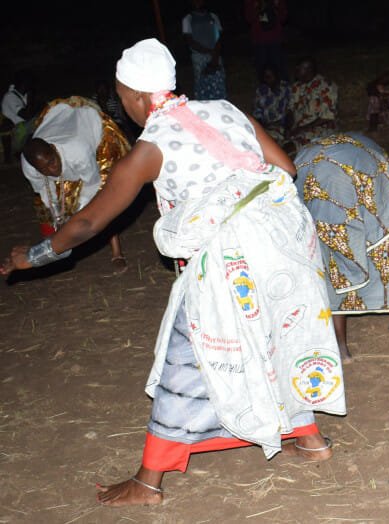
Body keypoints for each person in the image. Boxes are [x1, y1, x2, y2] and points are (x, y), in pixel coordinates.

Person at [1, 39, 345, 507]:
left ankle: (148, 482)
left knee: (188, 355)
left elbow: (86, 223)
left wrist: (33, 255)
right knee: (271, 337)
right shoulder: (225, 108)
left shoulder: (150, 147)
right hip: (282, 243)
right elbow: (283, 165)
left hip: (230, 260)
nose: (122, 107)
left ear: (140, 97)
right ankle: (310, 440)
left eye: (122, 97)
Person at [294, 133, 389, 360]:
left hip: (358, 163)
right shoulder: (305, 187)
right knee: (331, 260)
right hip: (327, 171)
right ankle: (340, 346)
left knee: (342, 252)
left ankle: (341, 347)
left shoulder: (357, 174)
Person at [20, 96, 131, 273]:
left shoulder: (77, 151)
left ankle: (117, 251)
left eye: (51, 162)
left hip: (93, 128)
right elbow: (43, 190)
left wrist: (78, 217)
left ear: (54, 149)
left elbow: (91, 186)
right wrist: (58, 216)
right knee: (51, 208)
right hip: (59, 119)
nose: (52, 170)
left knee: (105, 198)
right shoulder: (29, 167)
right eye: (44, 169)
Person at [287, 56, 339, 150]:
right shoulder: (297, 86)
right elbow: (290, 109)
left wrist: (301, 129)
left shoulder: (326, 86)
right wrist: (289, 127)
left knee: (291, 146)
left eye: (299, 68)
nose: (296, 70)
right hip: (298, 127)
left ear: (309, 69)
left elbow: (327, 117)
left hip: (320, 128)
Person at [182, 0, 226, 100]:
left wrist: (215, 55)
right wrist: (209, 52)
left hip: (215, 55)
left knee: (218, 84)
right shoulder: (188, 19)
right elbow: (189, 40)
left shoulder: (213, 16)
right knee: (202, 85)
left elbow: (220, 37)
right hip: (199, 57)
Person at [244, 0, 288, 81]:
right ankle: (264, 91)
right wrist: (257, 7)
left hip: (276, 40)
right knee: (262, 70)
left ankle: (282, 90)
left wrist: (276, 6)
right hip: (259, 41)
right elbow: (249, 18)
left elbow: (283, 18)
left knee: (279, 68)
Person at [253, 65, 290, 142]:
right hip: (266, 126)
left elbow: (290, 112)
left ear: (277, 76)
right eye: (265, 76)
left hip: (281, 126)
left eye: (270, 76)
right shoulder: (261, 90)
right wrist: (262, 127)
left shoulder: (286, 88)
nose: (267, 79)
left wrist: (287, 127)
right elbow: (257, 113)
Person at [2, 72, 33, 161]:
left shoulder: (21, 96)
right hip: (16, 129)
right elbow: (25, 115)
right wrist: (30, 99)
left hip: (22, 127)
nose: (30, 85)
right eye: (29, 82)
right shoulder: (10, 97)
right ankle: (18, 152)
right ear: (23, 84)